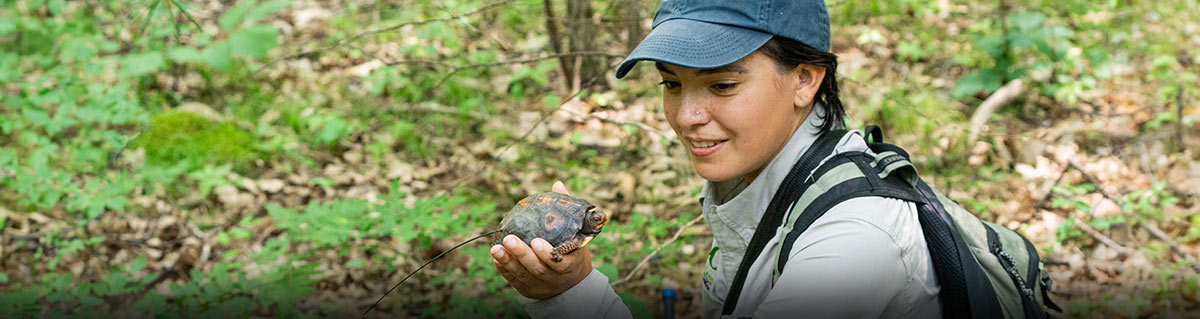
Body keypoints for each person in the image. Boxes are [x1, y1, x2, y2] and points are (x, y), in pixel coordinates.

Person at [490, 0, 942, 318]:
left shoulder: (854, 243)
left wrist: (574, 297)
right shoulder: (757, 182)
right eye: (671, 84)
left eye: (722, 85)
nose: (685, 117)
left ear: (805, 80)